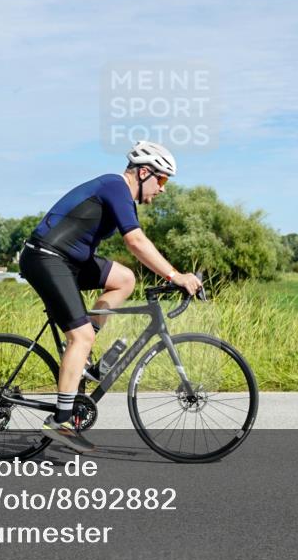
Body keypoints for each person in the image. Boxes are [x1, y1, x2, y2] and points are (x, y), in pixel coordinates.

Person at [18, 141, 203, 453]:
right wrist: (175, 275)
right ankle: (61, 421)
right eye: (162, 180)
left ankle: (84, 359)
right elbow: (135, 241)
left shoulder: (120, 194)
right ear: (144, 172)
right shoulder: (116, 186)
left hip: (67, 260)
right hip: (46, 258)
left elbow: (134, 247)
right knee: (81, 337)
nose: (163, 189)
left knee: (124, 279)